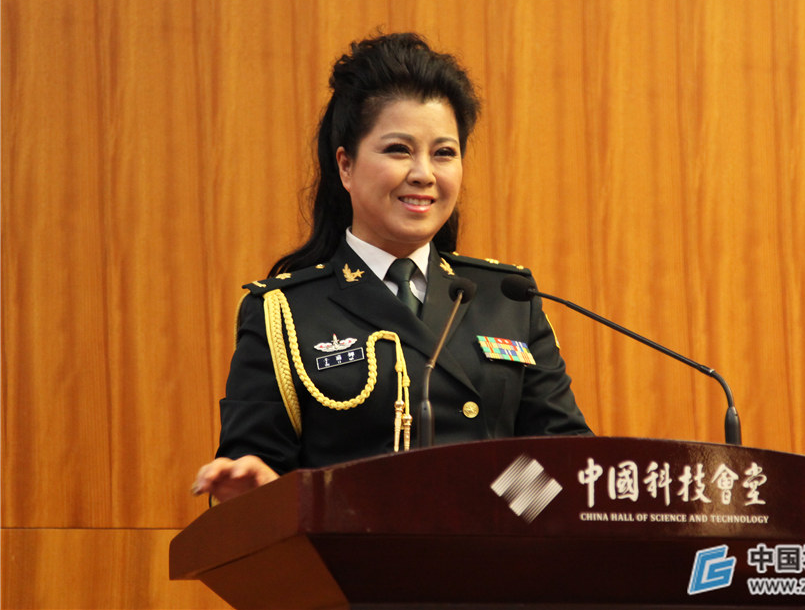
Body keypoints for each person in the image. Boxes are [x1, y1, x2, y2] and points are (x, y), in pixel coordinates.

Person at [192, 33, 590, 503]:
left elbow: (566, 461)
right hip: (348, 548)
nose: (423, 173)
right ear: (345, 165)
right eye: (399, 149)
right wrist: (257, 490)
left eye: (444, 153)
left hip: (491, 549)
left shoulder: (508, 298)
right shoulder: (284, 312)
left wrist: (493, 509)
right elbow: (257, 470)